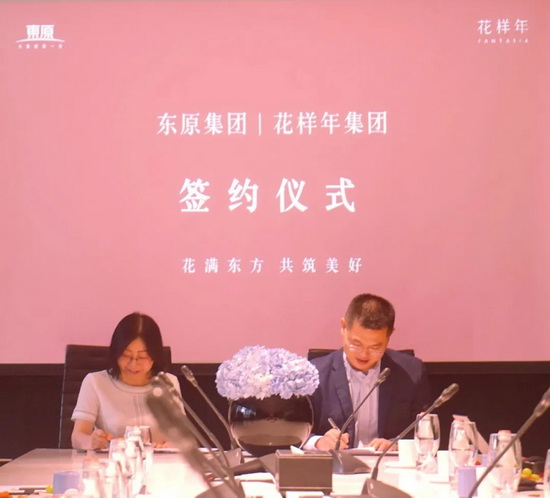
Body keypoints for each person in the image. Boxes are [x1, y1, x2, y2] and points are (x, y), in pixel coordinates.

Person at [309, 293, 431, 452]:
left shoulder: (411, 372)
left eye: (375, 347)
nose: (364, 354)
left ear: (389, 335)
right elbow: (296, 433)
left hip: (387, 465)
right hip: (335, 465)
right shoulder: (315, 374)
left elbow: (424, 433)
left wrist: (397, 445)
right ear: (343, 327)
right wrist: (318, 442)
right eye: (356, 344)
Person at [71, 312, 182, 450]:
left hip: (159, 461)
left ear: (154, 356)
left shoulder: (168, 383)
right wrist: (91, 441)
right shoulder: (95, 382)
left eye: (142, 357)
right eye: (126, 355)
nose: (133, 364)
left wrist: (173, 445)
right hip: (113, 461)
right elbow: (77, 437)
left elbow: (180, 436)